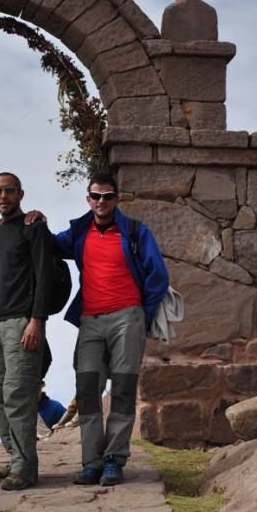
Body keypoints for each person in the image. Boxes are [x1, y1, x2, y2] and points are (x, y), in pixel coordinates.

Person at [53, 171, 169, 486]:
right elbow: (49, 245)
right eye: (95, 196)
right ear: (88, 199)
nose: (101, 202)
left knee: (122, 389)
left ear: (116, 198)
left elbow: (158, 275)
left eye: (107, 196)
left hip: (127, 318)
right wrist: (32, 221)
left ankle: (113, 461)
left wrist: (142, 315)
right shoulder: (78, 233)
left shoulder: (134, 231)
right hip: (90, 320)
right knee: (87, 390)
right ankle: (91, 463)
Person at [0, 172, 54, 490]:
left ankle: (25, 470)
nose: (3, 196)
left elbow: (44, 274)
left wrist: (37, 320)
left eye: (9, 190)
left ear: (20, 193)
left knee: (18, 395)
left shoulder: (33, 227)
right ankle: (16, 458)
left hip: (22, 324)